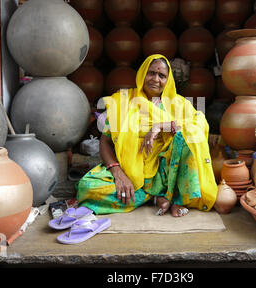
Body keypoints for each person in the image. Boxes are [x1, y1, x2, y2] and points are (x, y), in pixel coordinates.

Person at [76, 54, 221, 217]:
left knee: (189, 135)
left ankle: (175, 197)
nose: (155, 79)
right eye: (151, 73)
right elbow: (105, 142)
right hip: (130, 170)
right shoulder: (123, 101)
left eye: (162, 76)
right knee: (87, 187)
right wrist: (118, 174)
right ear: (142, 73)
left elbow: (198, 124)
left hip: (168, 173)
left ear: (169, 80)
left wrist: (161, 126)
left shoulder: (178, 104)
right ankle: (153, 196)